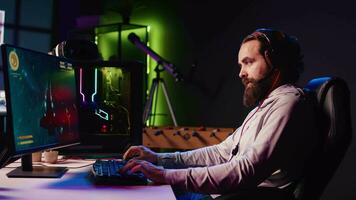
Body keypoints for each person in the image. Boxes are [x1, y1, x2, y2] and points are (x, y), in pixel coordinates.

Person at [120, 28, 319, 199]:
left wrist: (163, 174)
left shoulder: (289, 103)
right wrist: (159, 160)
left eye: (248, 62)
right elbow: (221, 152)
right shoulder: (266, 106)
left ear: (275, 62)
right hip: (222, 195)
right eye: (241, 65)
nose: (241, 73)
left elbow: (246, 171)